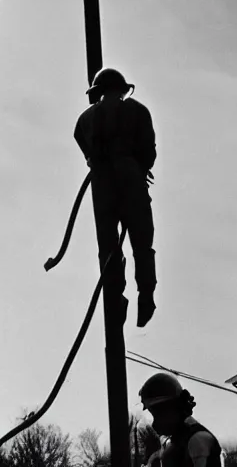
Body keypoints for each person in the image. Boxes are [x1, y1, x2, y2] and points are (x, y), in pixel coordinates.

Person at [74, 68, 157, 327]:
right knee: (141, 240)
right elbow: (149, 152)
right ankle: (146, 294)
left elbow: (82, 142)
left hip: (102, 183)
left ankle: (115, 297)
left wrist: (96, 161)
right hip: (131, 176)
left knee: (108, 246)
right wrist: (139, 167)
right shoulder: (138, 111)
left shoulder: (85, 119)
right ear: (121, 89)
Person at [139, 373, 222, 467]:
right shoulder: (175, 440)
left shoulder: (197, 439)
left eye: (158, 415)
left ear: (174, 408)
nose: (154, 424)